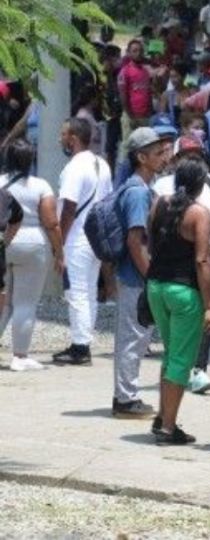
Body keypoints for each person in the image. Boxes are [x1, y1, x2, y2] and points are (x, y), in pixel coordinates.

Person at [146, 160, 210, 444]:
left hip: (156, 286)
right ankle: (167, 428)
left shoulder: (159, 204)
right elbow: (202, 259)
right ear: (201, 185)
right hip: (183, 291)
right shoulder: (199, 213)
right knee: (180, 360)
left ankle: (163, 416)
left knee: (170, 352)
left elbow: (151, 243)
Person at [153, 136, 210, 394]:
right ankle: (182, 373)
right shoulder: (162, 186)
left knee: (203, 318)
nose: (193, 159)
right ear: (175, 159)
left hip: (209, 252)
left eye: (197, 154)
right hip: (179, 262)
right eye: (187, 154)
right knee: (188, 322)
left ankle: (197, 369)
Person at [113, 127, 167, 418]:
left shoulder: (142, 188)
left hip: (135, 276)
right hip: (136, 277)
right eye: (157, 153)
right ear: (141, 157)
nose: (163, 157)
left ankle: (126, 396)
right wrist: (151, 277)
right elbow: (136, 240)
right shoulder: (136, 192)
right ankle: (125, 399)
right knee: (133, 338)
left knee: (137, 336)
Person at [52, 119, 113, 367]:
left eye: (63, 134)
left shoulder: (74, 168)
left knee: (76, 292)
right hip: (95, 238)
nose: (60, 139)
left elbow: (68, 208)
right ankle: (83, 341)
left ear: (74, 138)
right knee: (87, 291)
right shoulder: (102, 164)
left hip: (76, 238)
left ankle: (80, 347)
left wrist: (59, 244)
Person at [0, 139, 63, 372]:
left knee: (3, 302)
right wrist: (59, 251)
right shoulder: (40, 186)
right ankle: (20, 356)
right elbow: (51, 222)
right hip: (33, 243)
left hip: (3, 242)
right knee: (26, 302)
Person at [117, 40, 153, 142]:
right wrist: (130, 115)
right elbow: (123, 95)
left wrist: (149, 112)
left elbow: (148, 92)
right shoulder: (125, 72)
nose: (138, 53)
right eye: (135, 51)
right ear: (128, 53)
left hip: (145, 116)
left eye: (140, 51)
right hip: (131, 116)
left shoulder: (145, 71)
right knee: (129, 146)